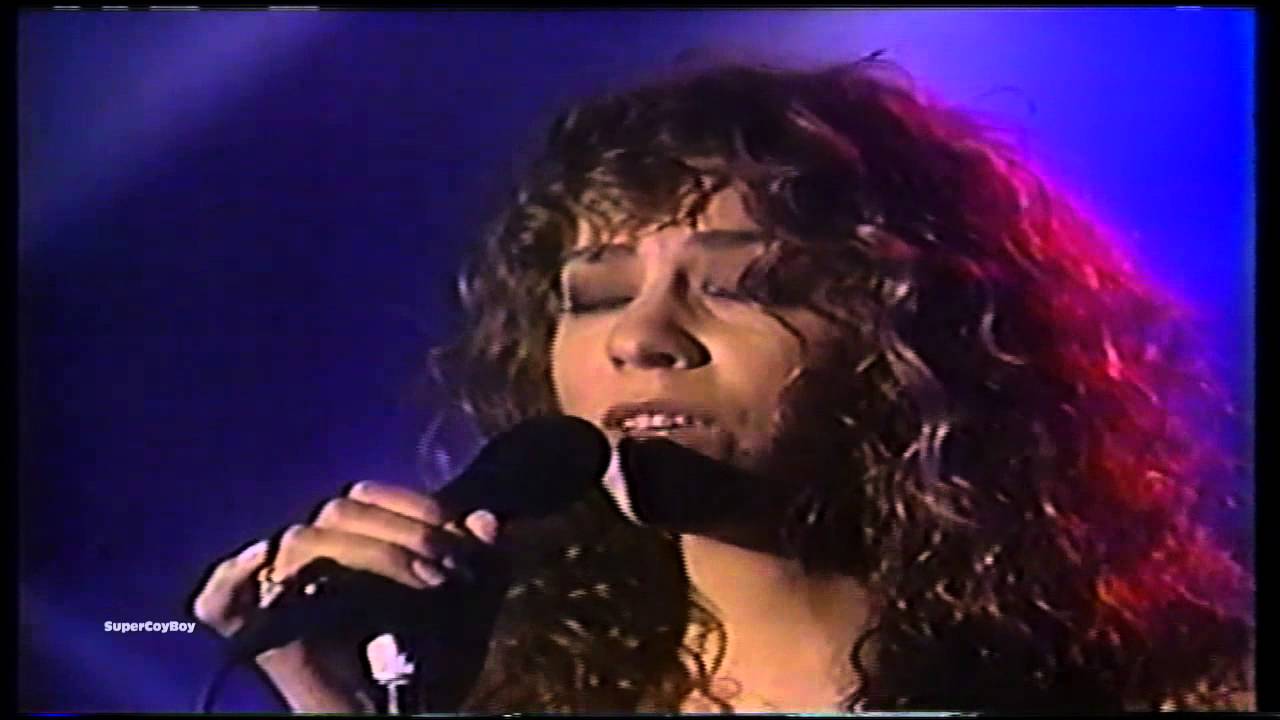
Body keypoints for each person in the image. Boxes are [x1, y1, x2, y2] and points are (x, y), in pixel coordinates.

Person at [190, 55, 1255, 712]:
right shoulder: (503, 690)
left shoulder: (1177, 692)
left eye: (741, 286)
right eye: (595, 296)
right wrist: (344, 704)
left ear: (919, 341)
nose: (642, 338)